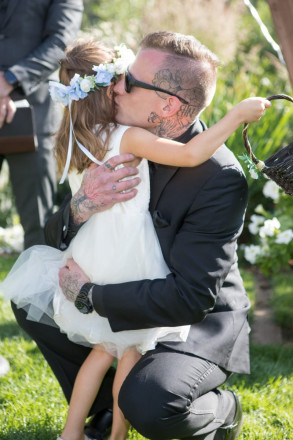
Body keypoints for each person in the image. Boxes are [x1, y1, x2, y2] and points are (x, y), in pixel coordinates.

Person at [1, 38, 269, 440]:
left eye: (128, 80)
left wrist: (90, 296)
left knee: (150, 403)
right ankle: (105, 410)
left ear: (168, 105)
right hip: (121, 278)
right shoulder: (105, 136)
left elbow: (190, 298)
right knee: (33, 299)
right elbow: (56, 232)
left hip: (191, 319)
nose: (116, 87)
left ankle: (223, 409)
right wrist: (82, 205)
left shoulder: (219, 177)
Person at [0, 0, 83, 249]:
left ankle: (39, 289)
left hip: (34, 118)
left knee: (37, 222)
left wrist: (9, 81)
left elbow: (61, 42)